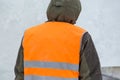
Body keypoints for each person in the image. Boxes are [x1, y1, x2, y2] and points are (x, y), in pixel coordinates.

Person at [14, 0, 102, 80]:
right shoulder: (81, 37)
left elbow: (20, 75)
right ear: (75, 11)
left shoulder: (29, 35)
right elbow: (92, 76)